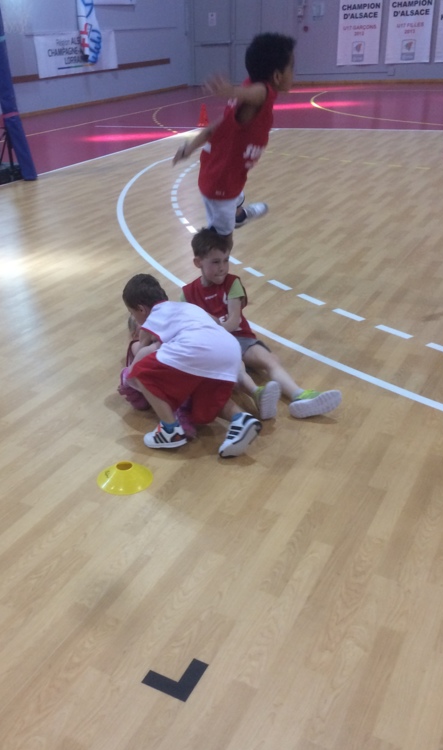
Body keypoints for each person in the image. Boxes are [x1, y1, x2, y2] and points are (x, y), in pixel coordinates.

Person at [182, 228, 342, 420]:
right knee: (237, 368)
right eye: (216, 262)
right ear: (198, 262)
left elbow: (233, 321)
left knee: (270, 360)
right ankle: (258, 396)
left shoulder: (232, 283)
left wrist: (213, 327)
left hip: (240, 337)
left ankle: (299, 395)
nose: (223, 267)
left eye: (226, 260)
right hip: (216, 344)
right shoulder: (188, 294)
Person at [172, 32, 296, 245]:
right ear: (277, 76)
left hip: (219, 171)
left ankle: (238, 215)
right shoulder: (259, 93)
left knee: (236, 193)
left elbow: (213, 128)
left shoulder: (250, 87)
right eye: (292, 68)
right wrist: (232, 91)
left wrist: (189, 148)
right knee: (223, 243)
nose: (294, 73)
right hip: (221, 185)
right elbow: (259, 94)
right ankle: (217, 256)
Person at [122, 273, 261, 457]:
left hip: (199, 350)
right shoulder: (185, 307)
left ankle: (169, 430)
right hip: (230, 349)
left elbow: (142, 352)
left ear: (140, 309)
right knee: (207, 398)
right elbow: (214, 321)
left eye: (132, 313)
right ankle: (240, 419)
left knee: (141, 372)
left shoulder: (153, 316)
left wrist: (129, 377)